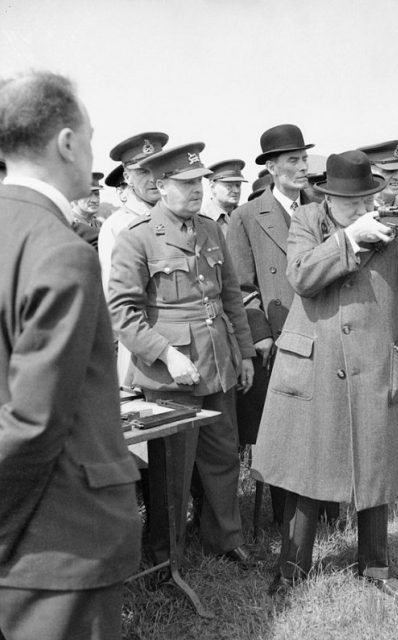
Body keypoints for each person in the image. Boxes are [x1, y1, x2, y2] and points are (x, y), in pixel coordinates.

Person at [252, 150, 398, 599]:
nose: (361, 209)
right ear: (329, 197)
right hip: (317, 359)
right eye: (350, 204)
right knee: (307, 466)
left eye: (365, 201)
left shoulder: (389, 221)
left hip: (377, 359)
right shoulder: (308, 219)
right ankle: (293, 568)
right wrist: (350, 238)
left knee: (378, 466)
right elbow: (301, 275)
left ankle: (375, 565)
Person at [0, 70, 140, 640]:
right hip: (55, 541)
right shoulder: (60, 249)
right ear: (65, 142)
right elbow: (34, 423)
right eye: (89, 135)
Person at [109, 142, 257, 566]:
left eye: (199, 181)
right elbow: (123, 313)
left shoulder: (210, 229)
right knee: (172, 471)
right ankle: (164, 557)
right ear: (160, 186)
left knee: (222, 458)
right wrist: (166, 354)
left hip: (217, 363)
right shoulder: (136, 239)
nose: (197, 189)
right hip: (171, 375)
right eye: (187, 183)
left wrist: (244, 353)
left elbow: (231, 296)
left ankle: (224, 539)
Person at [227, 124, 321, 525]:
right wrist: (261, 336)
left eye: (304, 159)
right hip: (279, 340)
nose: (302, 168)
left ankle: (325, 508)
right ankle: (287, 516)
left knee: (321, 424)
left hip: (322, 330)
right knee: (283, 431)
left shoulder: (321, 208)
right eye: (292, 161)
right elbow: (241, 286)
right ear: (271, 166)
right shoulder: (246, 216)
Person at [98, 131, 169, 384]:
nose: (152, 179)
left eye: (157, 168)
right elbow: (117, 302)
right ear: (127, 177)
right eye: (142, 172)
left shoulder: (181, 218)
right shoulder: (118, 226)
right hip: (143, 349)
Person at [202, 159, 247, 236]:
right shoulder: (201, 219)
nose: (236, 190)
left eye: (238, 185)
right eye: (229, 186)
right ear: (212, 187)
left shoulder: (246, 215)